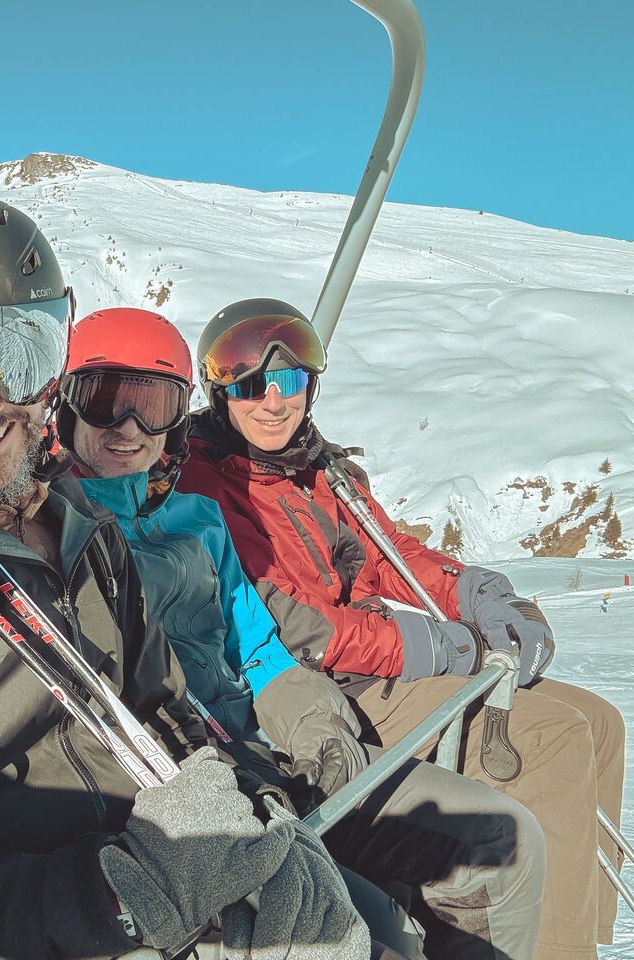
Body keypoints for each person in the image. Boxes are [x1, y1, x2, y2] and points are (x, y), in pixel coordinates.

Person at [0, 195, 374, 960]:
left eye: (16, 358)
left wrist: (255, 809)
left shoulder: (83, 529)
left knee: (368, 927)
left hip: (161, 875)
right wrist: (120, 897)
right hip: (54, 923)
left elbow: (172, 719)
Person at [61, 306, 547, 960]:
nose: (130, 428)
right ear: (64, 406)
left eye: (152, 405)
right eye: (105, 404)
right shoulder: (58, 537)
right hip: (204, 782)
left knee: (503, 840)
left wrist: (315, 722)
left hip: (283, 748)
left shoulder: (195, 518)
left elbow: (260, 645)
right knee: (383, 930)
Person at [178, 297, 627, 960]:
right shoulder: (210, 485)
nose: (274, 402)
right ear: (221, 396)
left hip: (379, 666)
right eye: (250, 387)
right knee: (555, 739)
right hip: (327, 687)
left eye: (291, 382)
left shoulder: (322, 473)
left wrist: (475, 595)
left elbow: (395, 557)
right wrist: (434, 647)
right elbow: (297, 626)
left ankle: (575, 927)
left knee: (601, 723)